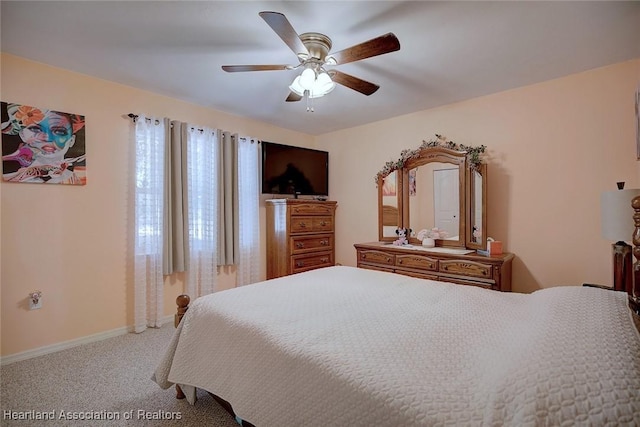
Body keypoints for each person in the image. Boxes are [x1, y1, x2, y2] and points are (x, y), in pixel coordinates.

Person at [1, 103, 85, 184]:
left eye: (59, 131)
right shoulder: (9, 177)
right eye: (35, 129)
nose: (47, 138)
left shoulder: (76, 178)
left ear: (71, 140)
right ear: (22, 135)